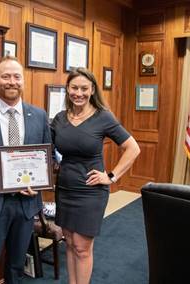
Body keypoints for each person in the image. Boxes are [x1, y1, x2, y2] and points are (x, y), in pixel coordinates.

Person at [51, 67, 140, 284]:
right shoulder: (60, 118)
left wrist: (111, 176)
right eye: (74, 88)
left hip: (90, 191)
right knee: (70, 241)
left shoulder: (103, 117)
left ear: (92, 90)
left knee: (82, 247)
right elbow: (50, 148)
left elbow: (133, 148)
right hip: (65, 189)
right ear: (67, 89)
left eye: (84, 88)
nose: (78, 93)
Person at [0, 56, 51, 284]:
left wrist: (38, 187)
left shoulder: (39, 115)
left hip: (26, 204)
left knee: (17, 267)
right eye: (6, 76)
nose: (12, 81)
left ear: (23, 81)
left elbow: (45, 158)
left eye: (16, 76)